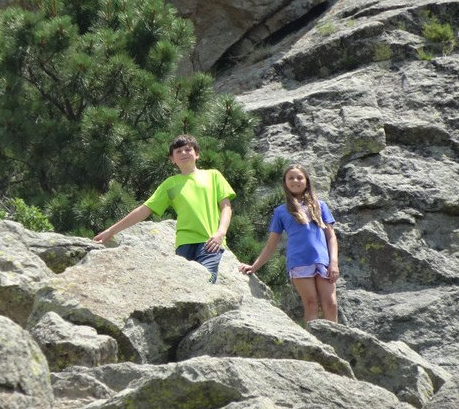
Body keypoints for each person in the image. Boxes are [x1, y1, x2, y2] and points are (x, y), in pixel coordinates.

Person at [94, 134, 235, 283]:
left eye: (188, 149)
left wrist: (221, 233)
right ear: (172, 159)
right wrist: (111, 231)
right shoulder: (171, 185)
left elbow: (226, 207)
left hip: (210, 241)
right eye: (178, 151)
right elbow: (144, 210)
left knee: (206, 280)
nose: (184, 153)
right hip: (184, 244)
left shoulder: (213, 176)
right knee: (185, 285)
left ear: (197, 154)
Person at [239, 164, 339, 324]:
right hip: (299, 263)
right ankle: (314, 345)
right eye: (290, 178)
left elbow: (331, 237)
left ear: (306, 180)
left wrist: (333, 262)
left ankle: (335, 342)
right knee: (311, 304)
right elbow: (271, 245)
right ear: (285, 183)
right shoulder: (281, 211)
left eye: (299, 177)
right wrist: (254, 266)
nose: (295, 181)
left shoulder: (320, 206)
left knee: (331, 304)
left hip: (323, 262)